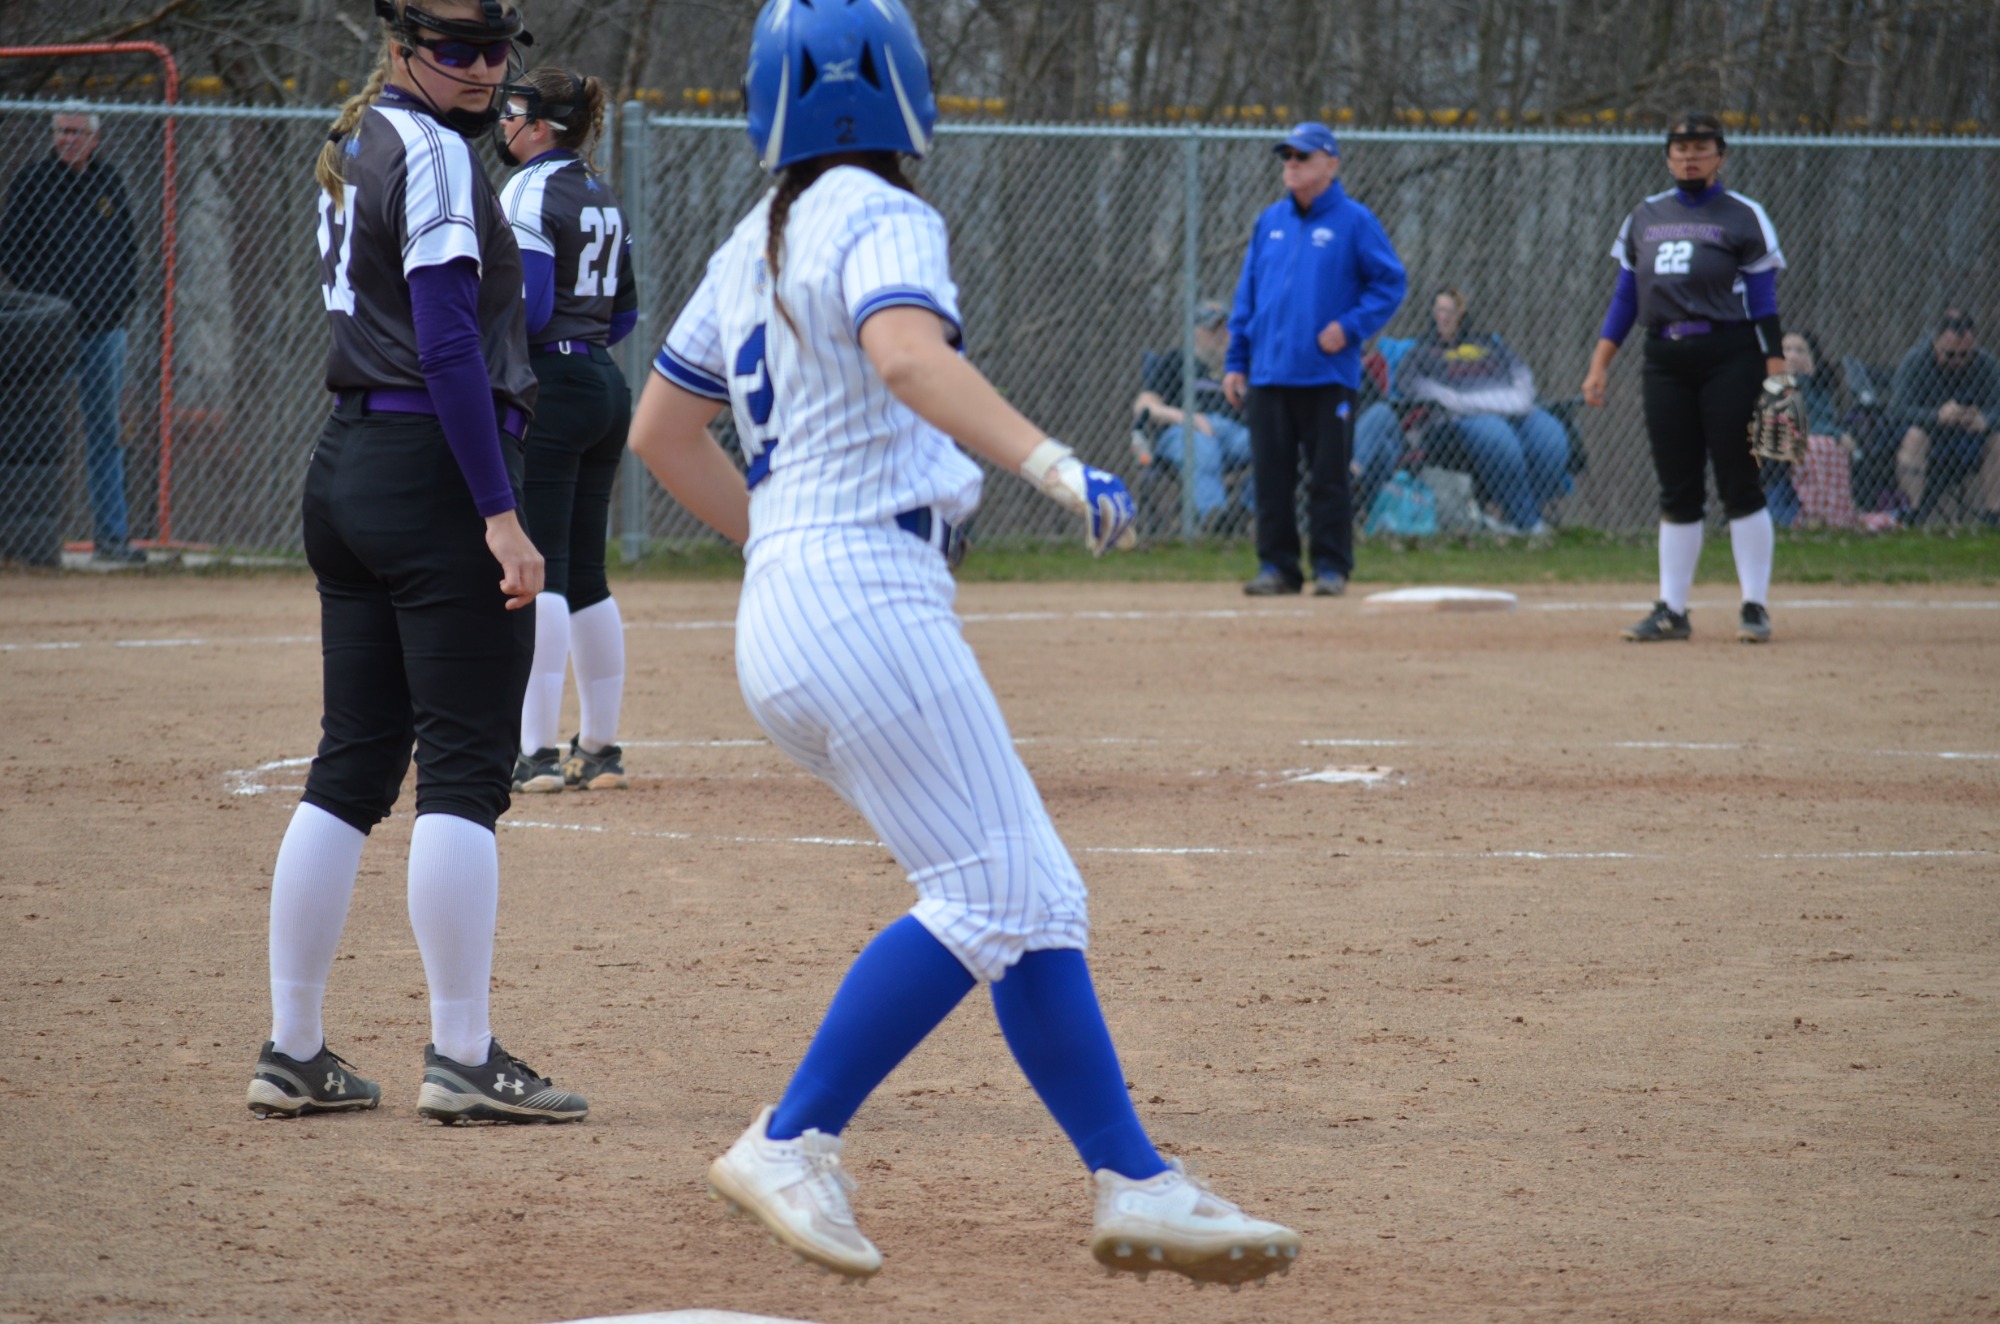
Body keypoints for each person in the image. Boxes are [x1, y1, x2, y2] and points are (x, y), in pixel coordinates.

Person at [627, 0, 1300, 1288]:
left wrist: (779, 547)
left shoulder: (746, 242)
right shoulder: (883, 214)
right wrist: (1054, 461)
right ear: (898, 91)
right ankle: (791, 1136)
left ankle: (1136, 1181)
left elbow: (661, 434)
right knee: (995, 891)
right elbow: (902, 355)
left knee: (1027, 893)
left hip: (792, 601)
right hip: (866, 590)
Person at [245, 0, 587, 1126]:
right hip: (428, 468)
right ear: (401, 50)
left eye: (496, 49)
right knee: (464, 771)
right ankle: (463, 1051)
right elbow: (445, 339)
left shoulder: (361, 138)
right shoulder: (435, 152)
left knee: (351, 763)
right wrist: (500, 511)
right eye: (456, 49)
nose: (484, 68)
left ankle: (293, 1047)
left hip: (347, 462)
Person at [1582, 112, 1788, 645]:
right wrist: (1601, 362)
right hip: (1665, 357)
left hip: (1730, 353)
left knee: (1739, 480)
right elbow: (1627, 295)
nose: (1689, 156)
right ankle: (1672, 610)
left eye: (1700, 147)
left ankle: (1754, 606)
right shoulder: (1645, 216)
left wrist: (1775, 370)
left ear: (1721, 156)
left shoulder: (1744, 215)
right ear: (1667, 156)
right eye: (1679, 147)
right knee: (1677, 487)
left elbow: (1763, 300)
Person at [496, 69, 639, 795]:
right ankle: (601, 748)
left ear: (542, 125)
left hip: (552, 381)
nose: (504, 122)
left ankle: (538, 753)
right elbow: (624, 316)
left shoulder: (529, 188)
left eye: (514, 112)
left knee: (543, 563)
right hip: (604, 384)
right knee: (585, 567)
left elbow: (534, 303)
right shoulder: (600, 191)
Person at [1224, 121, 1406, 597]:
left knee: (1328, 478)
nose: (1292, 165)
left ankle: (1331, 567)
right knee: (1271, 478)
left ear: (1331, 164)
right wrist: (1236, 360)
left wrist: (1348, 326)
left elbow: (1390, 283)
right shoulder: (1271, 222)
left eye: (1302, 157)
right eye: (1287, 157)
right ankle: (1278, 567)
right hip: (1268, 371)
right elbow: (1248, 295)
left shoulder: (1354, 221)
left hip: (1327, 375)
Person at [0, 112, 145, 563]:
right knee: (37, 440)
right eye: (61, 132)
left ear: (95, 138)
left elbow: (127, 247)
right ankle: (36, 545)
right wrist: (47, 302)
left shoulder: (108, 182)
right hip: (47, 339)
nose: (68, 140)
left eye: (76, 133)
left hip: (104, 331)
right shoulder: (33, 183)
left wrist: (119, 299)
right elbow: (10, 252)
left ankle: (112, 538)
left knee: (106, 435)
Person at [1396, 286, 1569, 535]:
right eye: (1439, 310)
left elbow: (1523, 380)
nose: (1444, 317)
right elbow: (1415, 387)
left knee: (1550, 436)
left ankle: (1517, 519)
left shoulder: (1489, 344)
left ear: (1462, 315)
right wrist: (1474, 403)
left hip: (1512, 410)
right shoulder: (1421, 352)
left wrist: (1491, 402)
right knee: (1497, 436)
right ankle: (1528, 524)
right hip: (1457, 422)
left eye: (1451, 311)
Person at [1130, 299, 1254, 533]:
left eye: (1224, 328)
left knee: (1277, 446)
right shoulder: (1176, 361)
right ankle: (1214, 520)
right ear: (1196, 332)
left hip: (1235, 436)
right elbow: (1144, 405)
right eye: (1212, 329)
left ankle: (1242, 511)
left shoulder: (1241, 369)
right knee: (1200, 446)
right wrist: (1190, 419)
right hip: (1185, 432)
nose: (1220, 335)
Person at [1889, 309, 2000, 525]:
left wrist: (1985, 420)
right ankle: (1912, 515)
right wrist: (1937, 416)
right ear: (1935, 342)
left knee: (1998, 441)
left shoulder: (1985, 364)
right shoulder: (1917, 361)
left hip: (1969, 440)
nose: (1957, 361)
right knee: (1914, 437)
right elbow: (1896, 410)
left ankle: (1995, 518)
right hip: (1930, 437)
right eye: (1950, 355)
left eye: (1964, 355)